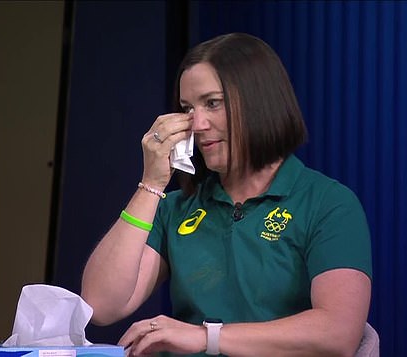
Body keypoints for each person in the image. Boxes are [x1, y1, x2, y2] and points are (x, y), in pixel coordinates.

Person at [81, 33, 372, 357]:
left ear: (259, 101)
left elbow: (338, 333)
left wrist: (207, 337)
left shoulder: (327, 203)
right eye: (187, 108)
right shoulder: (177, 207)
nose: (198, 123)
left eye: (212, 103)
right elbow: (100, 305)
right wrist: (151, 183)